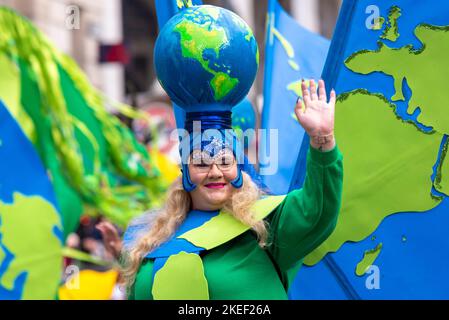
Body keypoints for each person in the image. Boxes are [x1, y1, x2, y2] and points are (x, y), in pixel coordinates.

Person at [97, 79, 343, 300]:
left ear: (239, 168)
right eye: (202, 162)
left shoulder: (267, 223)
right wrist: (126, 258)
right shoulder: (154, 234)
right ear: (185, 172)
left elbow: (318, 209)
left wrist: (322, 138)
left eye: (225, 161)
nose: (215, 172)